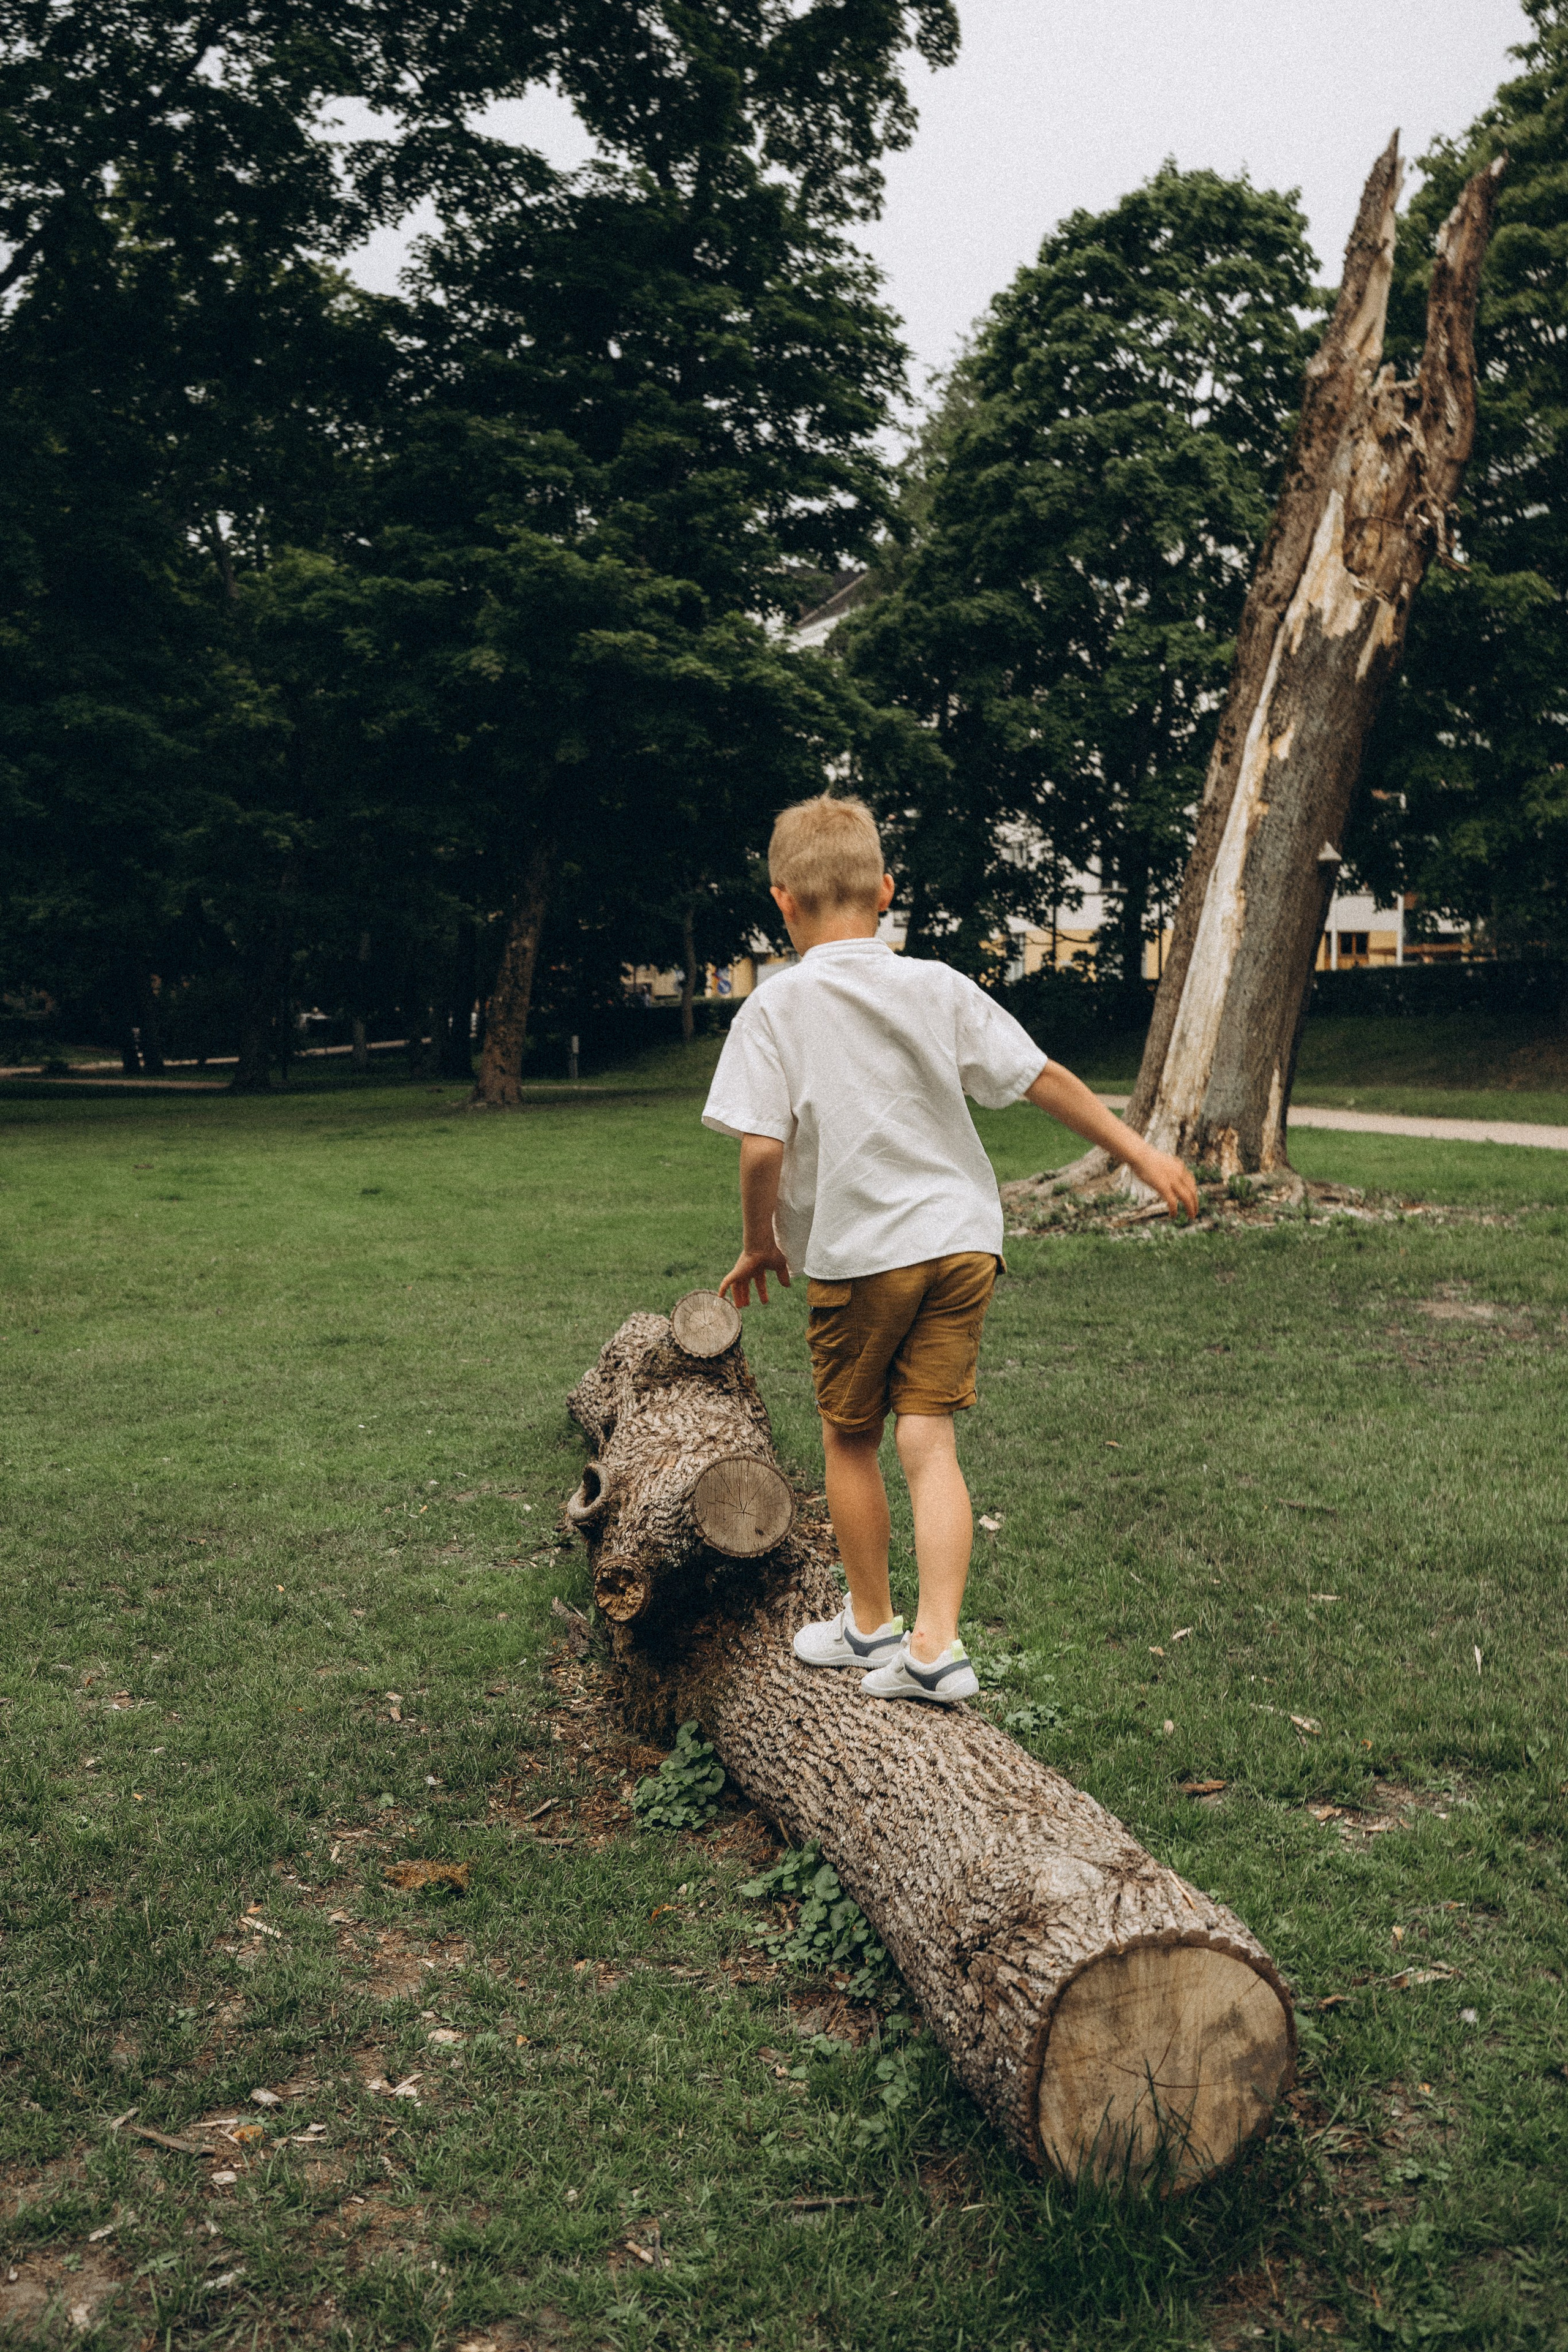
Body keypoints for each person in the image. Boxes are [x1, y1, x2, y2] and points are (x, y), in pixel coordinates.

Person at [702, 795, 1197, 1705]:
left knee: (851, 1436)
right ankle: (938, 1645)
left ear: (782, 901)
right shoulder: (937, 986)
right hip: (963, 1243)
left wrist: (759, 1242)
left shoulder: (775, 1010)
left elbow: (762, 1145)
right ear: (886, 890)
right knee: (929, 1438)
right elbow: (1038, 1078)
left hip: (860, 1255)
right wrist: (1140, 1152)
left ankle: (868, 1623)